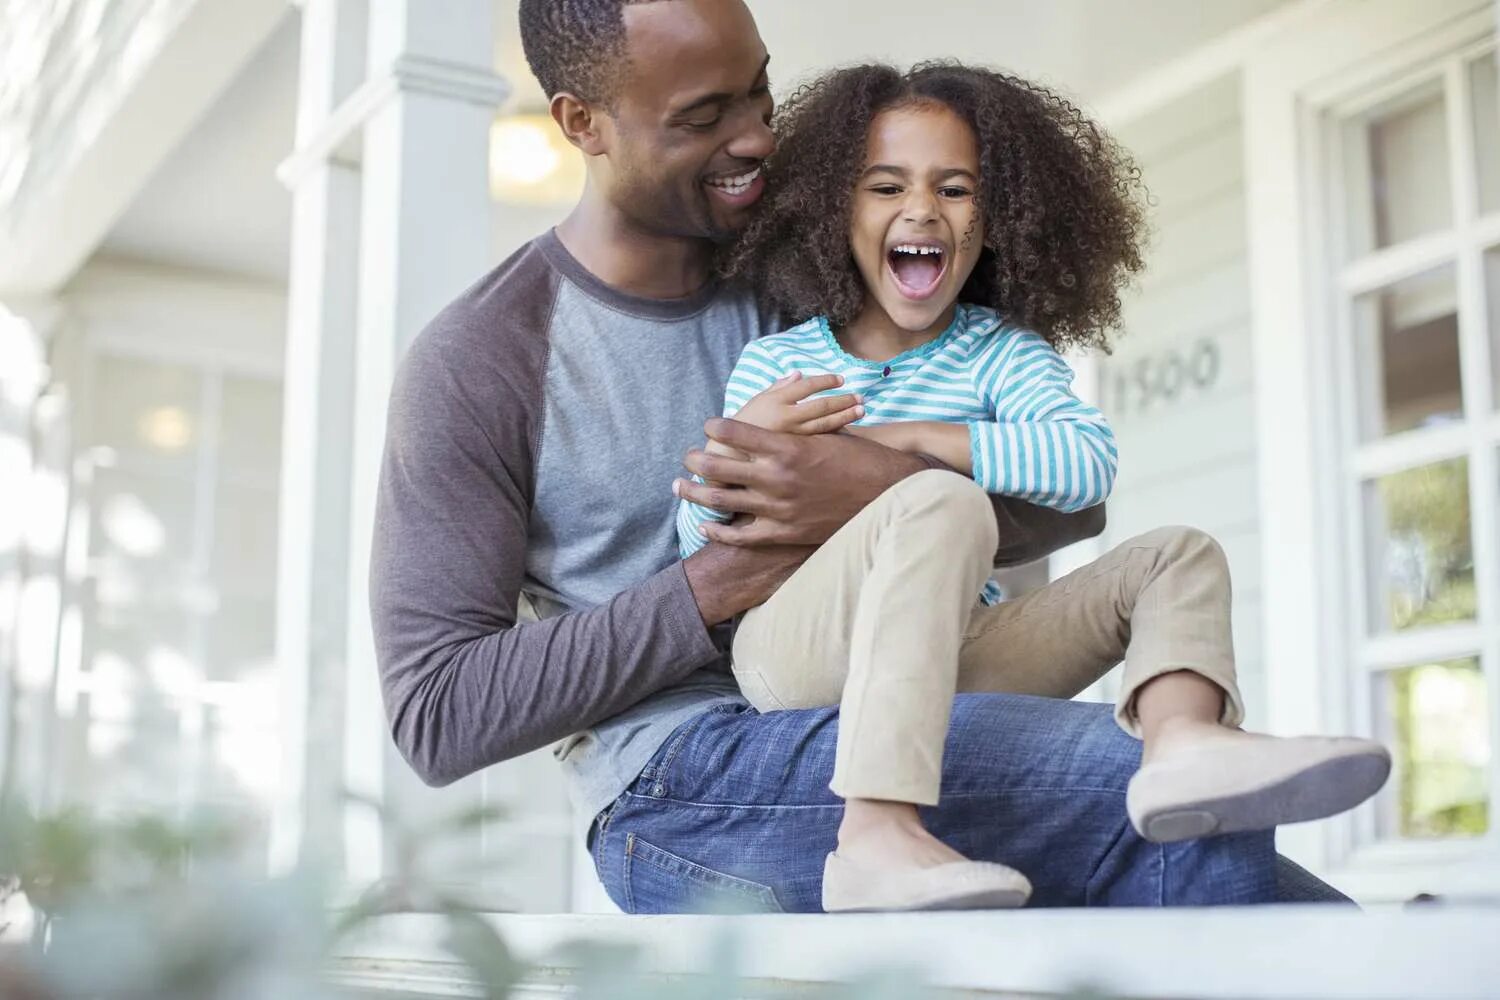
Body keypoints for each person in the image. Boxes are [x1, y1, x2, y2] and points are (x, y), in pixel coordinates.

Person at [371, 0, 1355, 912]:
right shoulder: (486, 360)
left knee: (1190, 797)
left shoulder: (814, 269)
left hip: (902, 686)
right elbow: (439, 715)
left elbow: (1069, 501)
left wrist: (885, 475)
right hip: (675, 783)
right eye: (707, 113)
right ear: (582, 122)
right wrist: (722, 576)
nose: (758, 136)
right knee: (1137, 788)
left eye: (759, 88)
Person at [673, 62, 1390, 913]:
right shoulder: (783, 362)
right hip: (800, 649)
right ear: (836, 209)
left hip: (955, 647)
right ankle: (874, 836)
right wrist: (739, 457)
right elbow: (699, 553)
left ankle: (1184, 742)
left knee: (1177, 554)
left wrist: (913, 439)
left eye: (957, 188)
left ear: (998, 215)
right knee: (942, 500)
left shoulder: (1001, 354)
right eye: (885, 186)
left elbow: (1084, 463)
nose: (922, 210)